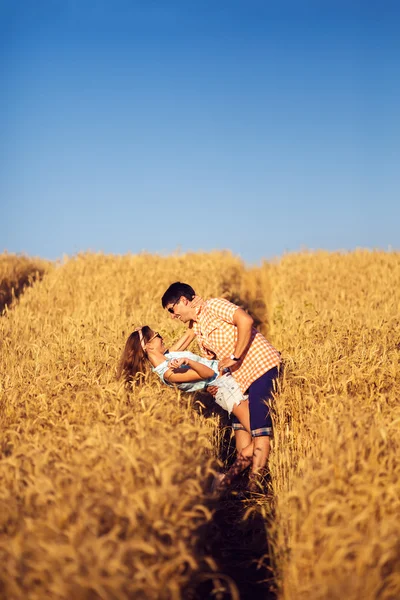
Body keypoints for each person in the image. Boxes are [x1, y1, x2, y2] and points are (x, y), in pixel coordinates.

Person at [161, 282, 282, 491]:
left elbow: (245, 320)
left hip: (261, 366)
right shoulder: (197, 329)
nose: (172, 316)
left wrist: (235, 356)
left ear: (183, 300)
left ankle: (254, 489)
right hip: (239, 380)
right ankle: (237, 483)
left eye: (172, 310)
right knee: (241, 435)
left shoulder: (214, 305)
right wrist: (213, 384)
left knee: (259, 431)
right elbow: (214, 364)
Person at [117, 325, 252, 437]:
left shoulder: (169, 355)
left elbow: (190, 334)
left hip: (229, 379)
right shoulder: (169, 374)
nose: (162, 337)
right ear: (149, 346)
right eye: (157, 335)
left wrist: (197, 306)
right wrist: (188, 362)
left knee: (248, 443)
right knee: (259, 434)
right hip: (226, 388)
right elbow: (208, 373)